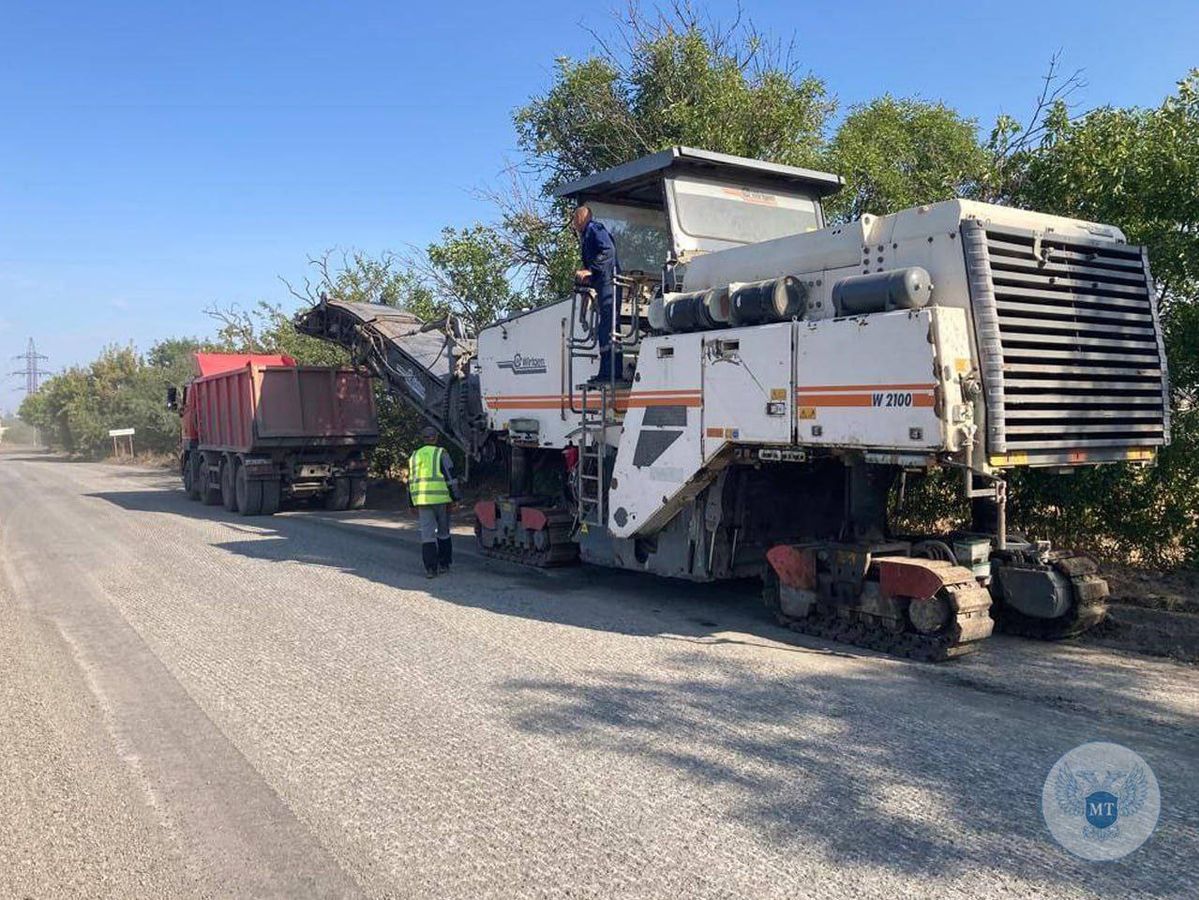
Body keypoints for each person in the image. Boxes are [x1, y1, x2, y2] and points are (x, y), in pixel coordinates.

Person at [571, 205, 622, 383]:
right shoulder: (586, 235)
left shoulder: (594, 229)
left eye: (575, 218)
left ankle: (612, 373)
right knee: (605, 328)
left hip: (609, 282)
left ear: (581, 218)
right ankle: (606, 371)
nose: (573, 223)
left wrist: (590, 270)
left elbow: (608, 251)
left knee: (609, 328)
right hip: (602, 284)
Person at [408, 425, 458, 578]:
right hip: (441, 499)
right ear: (436, 438)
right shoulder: (441, 453)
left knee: (427, 535)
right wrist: (455, 498)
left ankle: (431, 569)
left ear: (423, 439)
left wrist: (411, 503)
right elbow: (450, 477)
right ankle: (444, 564)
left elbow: (409, 481)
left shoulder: (415, 455)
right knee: (443, 532)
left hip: (422, 500)